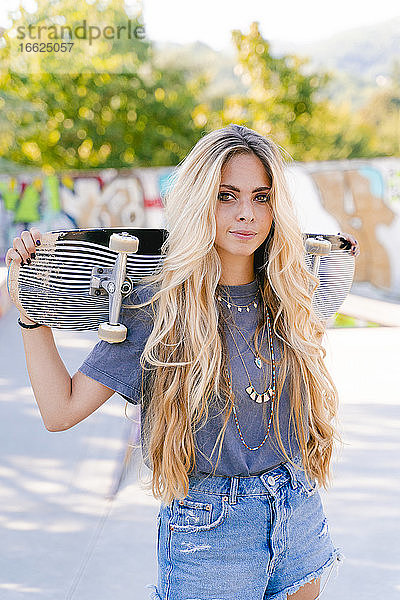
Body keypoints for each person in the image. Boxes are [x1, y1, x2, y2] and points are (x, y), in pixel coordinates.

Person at [5, 124, 359, 600]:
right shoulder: (159, 306)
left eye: (261, 197)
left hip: (297, 511)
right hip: (211, 530)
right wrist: (32, 316)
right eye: (226, 195)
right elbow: (60, 410)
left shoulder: (288, 293)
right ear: (199, 200)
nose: (246, 214)